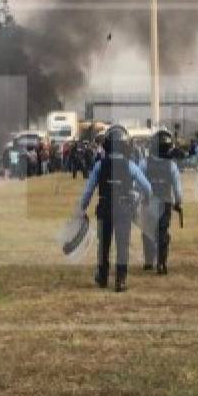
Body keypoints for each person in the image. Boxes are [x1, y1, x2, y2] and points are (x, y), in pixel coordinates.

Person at [79, 125, 152, 292]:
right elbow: (147, 187)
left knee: (103, 244)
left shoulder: (100, 165)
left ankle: (103, 277)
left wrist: (82, 208)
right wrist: (144, 198)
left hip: (104, 207)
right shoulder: (130, 165)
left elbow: (88, 190)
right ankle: (121, 279)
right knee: (122, 245)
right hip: (124, 208)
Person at [141, 129, 182, 275]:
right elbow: (177, 187)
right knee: (162, 232)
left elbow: (139, 183)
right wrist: (178, 201)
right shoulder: (171, 166)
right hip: (165, 201)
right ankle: (162, 263)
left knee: (148, 232)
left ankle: (148, 261)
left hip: (148, 202)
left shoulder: (145, 163)